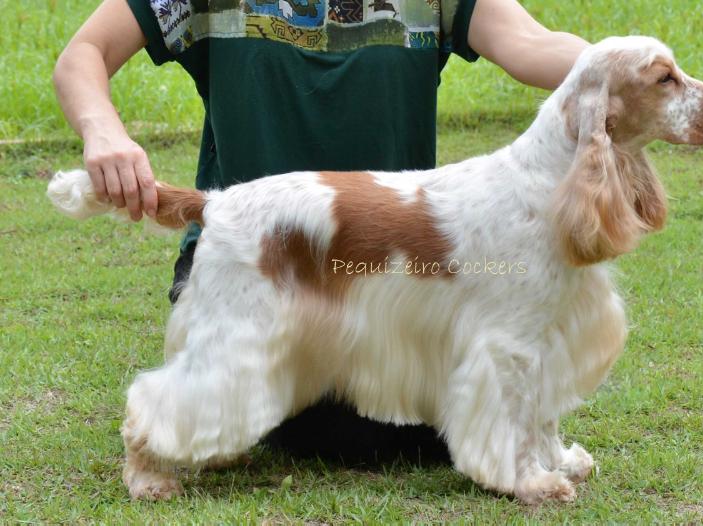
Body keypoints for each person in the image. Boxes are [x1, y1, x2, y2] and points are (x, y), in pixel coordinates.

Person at [54, 0, 588, 462]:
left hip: (393, 275)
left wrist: (634, 69)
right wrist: (103, 130)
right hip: (254, 261)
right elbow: (85, 53)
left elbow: (529, 43)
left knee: (400, 436)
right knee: (334, 433)